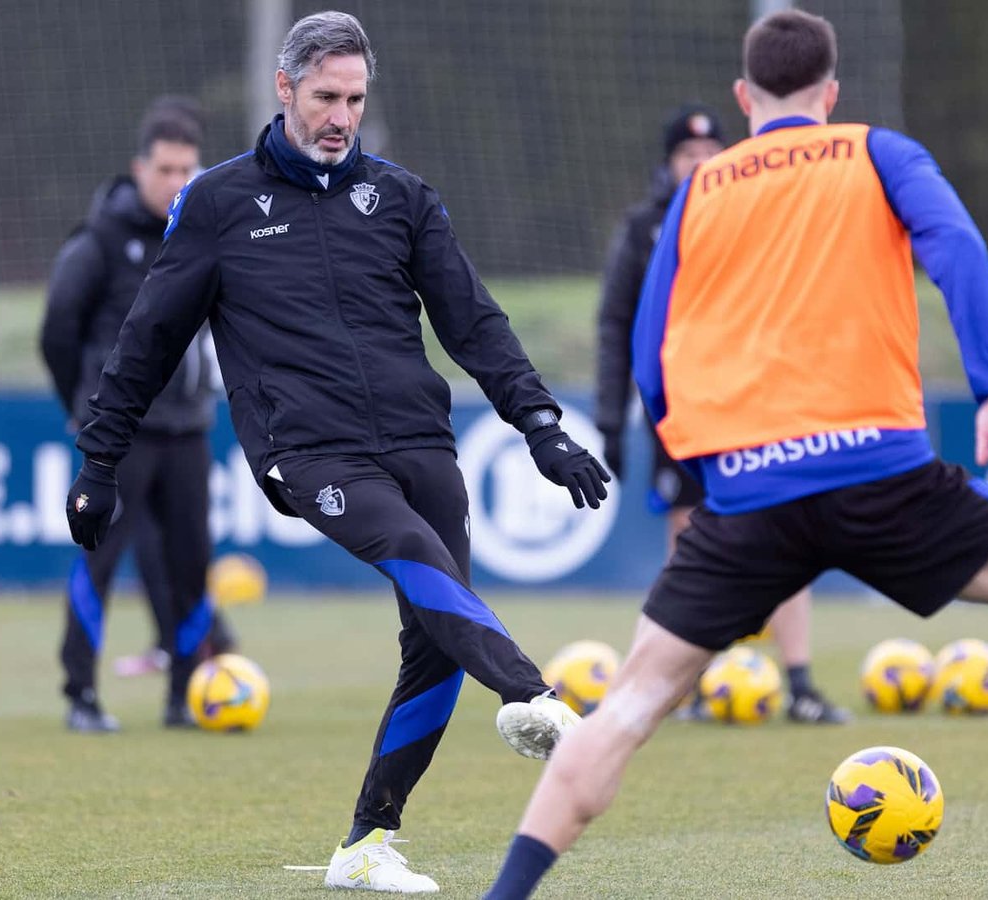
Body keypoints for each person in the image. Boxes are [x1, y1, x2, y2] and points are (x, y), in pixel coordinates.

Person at [483, 11, 988, 897]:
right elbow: (961, 254)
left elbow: (647, 340)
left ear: (746, 99)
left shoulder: (701, 190)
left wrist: (693, 459)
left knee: (627, 707)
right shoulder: (879, 153)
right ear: (831, 93)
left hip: (748, 493)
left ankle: (508, 891)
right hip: (883, 475)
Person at [63, 11, 608, 893]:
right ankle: (535, 698)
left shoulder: (402, 197)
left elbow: (473, 323)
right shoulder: (217, 203)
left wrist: (538, 425)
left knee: (434, 642)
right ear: (285, 90)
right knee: (417, 556)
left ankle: (366, 845)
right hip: (309, 453)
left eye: (354, 99)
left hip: (419, 440)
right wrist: (99, 463)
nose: (339, 116)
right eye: (324, 97)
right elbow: (146, 342)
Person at [595, 103, 848, 725]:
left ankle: (800, 683)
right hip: (684, 407)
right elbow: (618, 322)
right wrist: (609, 416)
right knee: (690, 533)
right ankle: (693, 686)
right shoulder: (646, 228)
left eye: (712, 154)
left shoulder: (759, 211)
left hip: (765, 399)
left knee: (790, 527)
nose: (703, 164)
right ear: (670, 164)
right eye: (689, 156)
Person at [40, 100, 234, 732]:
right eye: (165, 168)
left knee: (190, 565)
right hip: (118, 441)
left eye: (187, 169)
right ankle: (81, 696)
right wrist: (85, 408)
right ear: (139, 168)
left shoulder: (204, 236)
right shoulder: (99, 239)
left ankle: (184, 696)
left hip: (188, 432)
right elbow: (57, 331)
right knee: (98, 561)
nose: (176, 181)